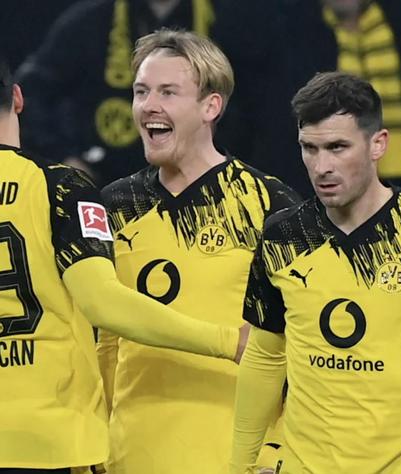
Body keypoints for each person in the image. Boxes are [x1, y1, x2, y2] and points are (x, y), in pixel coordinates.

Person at [0, 38, 249, 474]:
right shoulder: (59, 189)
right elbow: (103, 303)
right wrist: (226, 341)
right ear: (17, 98)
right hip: (51, 445)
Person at [230, 72, 401, 474]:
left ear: (378, 144)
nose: (322, 166)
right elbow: (265, 359)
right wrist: (240, 466)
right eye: (309, 148)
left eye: (337, 147)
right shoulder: (283, 236)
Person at [98, 29, 300, 474]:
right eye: (141, 92)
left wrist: (278, 450)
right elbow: (105, 343)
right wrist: (95, 447)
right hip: (131, 458)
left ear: (211, 106)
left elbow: (304, 346)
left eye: (168, 92)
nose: (149, 105)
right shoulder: (113, 207)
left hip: (236, 459)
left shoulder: (270, 206)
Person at [16, 0, 222, 187]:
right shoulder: (90, 22)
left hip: (206, 183)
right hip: (105, 182)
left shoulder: (226, 18)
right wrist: (63, 157)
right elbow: (30, 94)